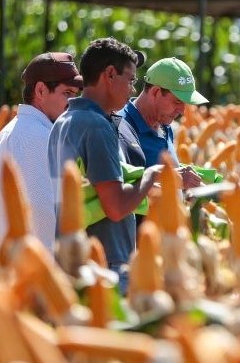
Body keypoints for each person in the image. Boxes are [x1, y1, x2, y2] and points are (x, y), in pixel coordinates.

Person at [48, 37, 160, 289]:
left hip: (74, 262)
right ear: (110, 74)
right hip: (105, 269)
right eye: (130, 80)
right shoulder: (96, 126)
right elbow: (115, 207)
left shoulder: (64, 121)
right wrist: (151, 176)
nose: (132, 90)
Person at [0, 52, 83, 254]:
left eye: (76, 95)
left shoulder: (17, 129)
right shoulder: (37, 135)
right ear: (40, 90)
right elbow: (42, 214)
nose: (73, 102)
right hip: (28, 268)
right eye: (67, 93)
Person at [117, 56, 208, 190]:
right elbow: (117, 190)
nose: (182, 111)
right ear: (155, 92)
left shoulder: (165, 126)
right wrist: (175, 181)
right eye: (177, 101)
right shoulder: (120, 128)